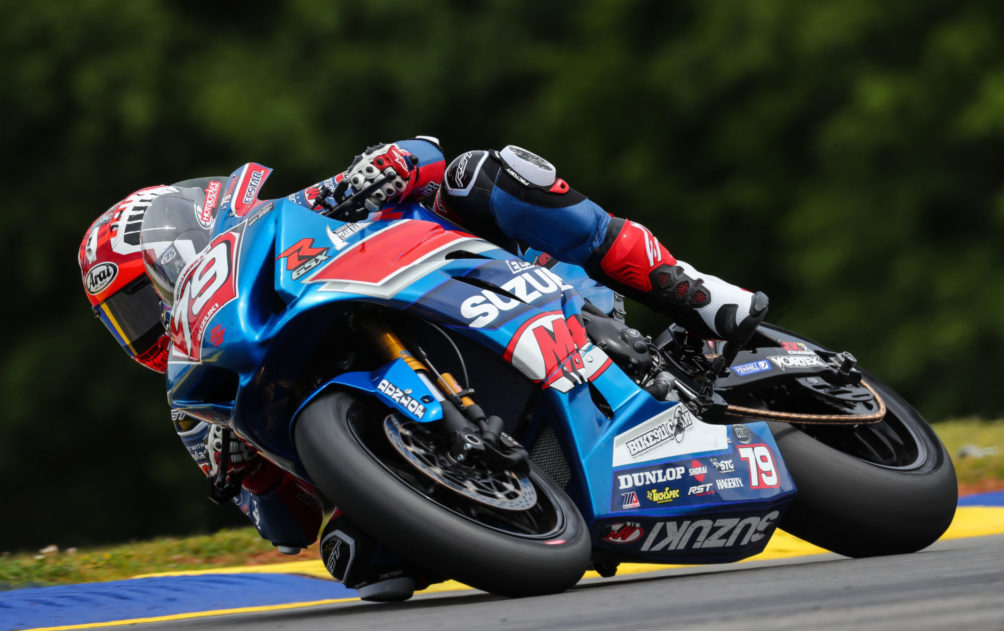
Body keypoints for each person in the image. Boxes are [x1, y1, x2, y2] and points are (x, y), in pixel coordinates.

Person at [78, 137, 768, 601]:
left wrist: (382, 169)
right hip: (430, 470)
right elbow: (286, 528)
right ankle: (510, 501)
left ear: (183, 238)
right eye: (127, 318)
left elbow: (423, 151)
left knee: (486, 172)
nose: (147, 323)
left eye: (144, 294)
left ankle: (694, 289)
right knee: (355, 558)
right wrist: (248, 469)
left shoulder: (292, 214)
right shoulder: (195, 401)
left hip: (504, 283)